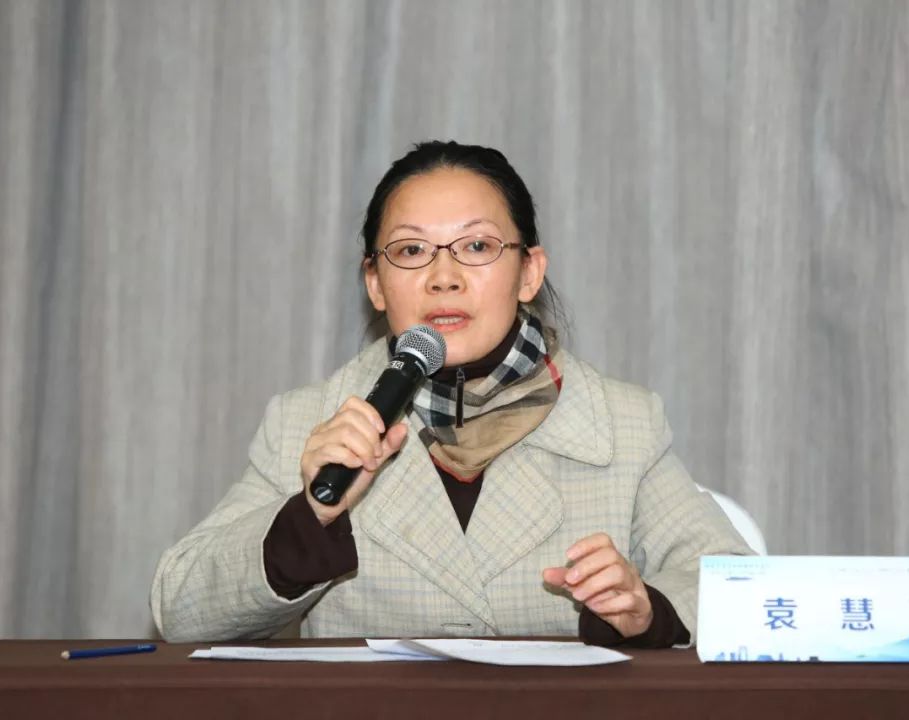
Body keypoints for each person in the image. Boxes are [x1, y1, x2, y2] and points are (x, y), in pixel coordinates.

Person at [150, 141, 753, 647]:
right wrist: (312, 516)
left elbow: (738, 589)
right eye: (411, 251)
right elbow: (180, 611)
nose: (444, 277)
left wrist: (646, 609)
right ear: (374, 283)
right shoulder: (308, 422)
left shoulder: (624, 422)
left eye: (477, 246)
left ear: (529, 272)